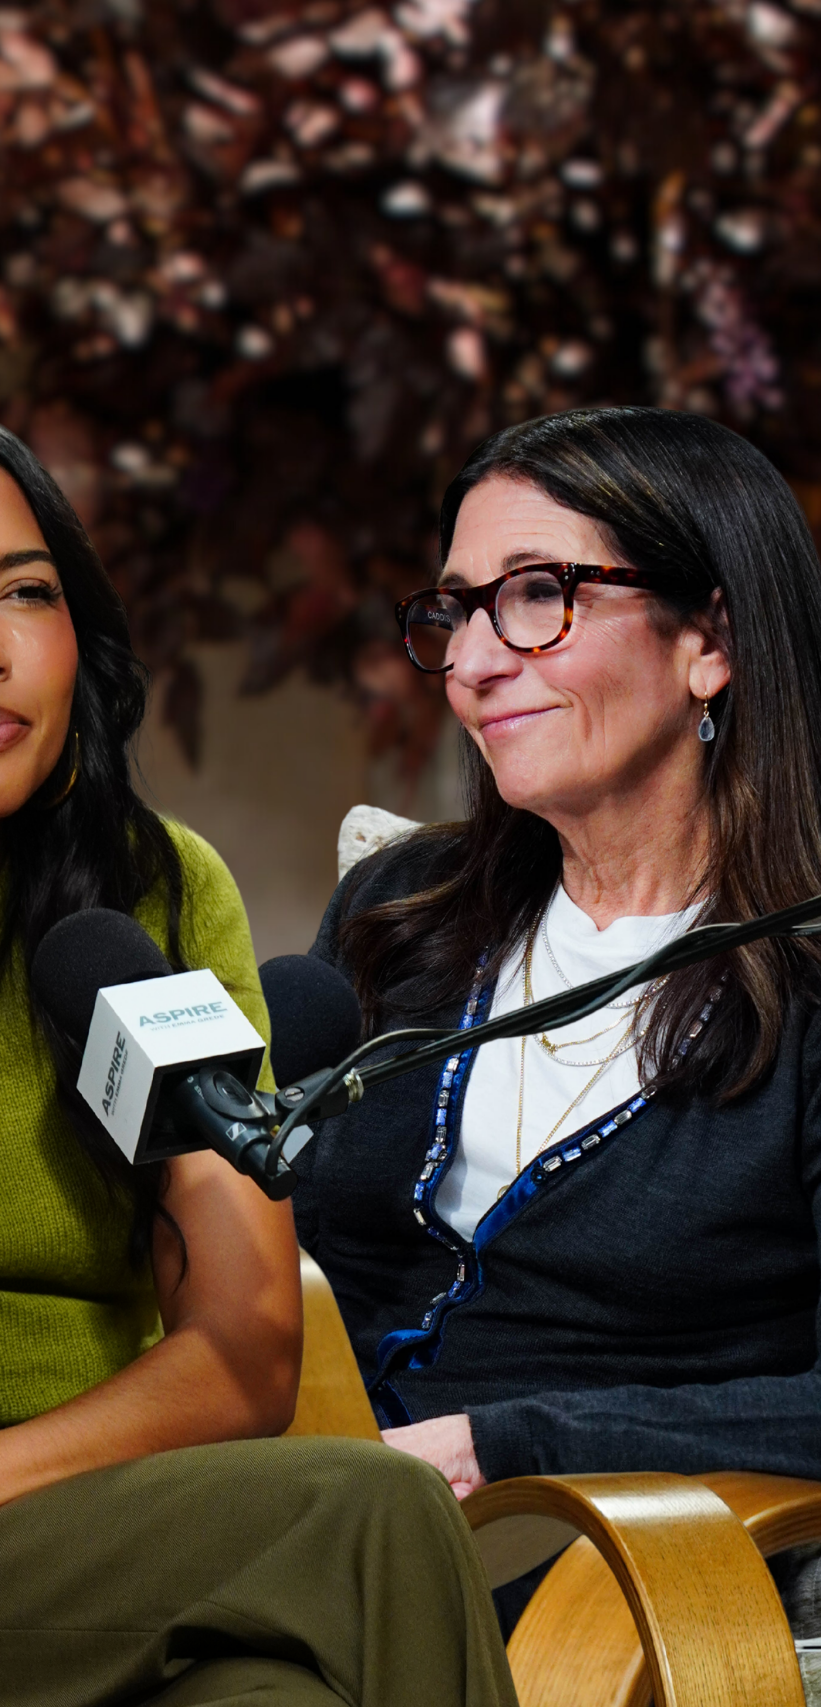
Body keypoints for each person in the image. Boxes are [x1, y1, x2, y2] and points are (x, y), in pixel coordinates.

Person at [0, 402, 517, 1707]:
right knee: (376, 1510)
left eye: (26, 592)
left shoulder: (151, 899)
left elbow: (243, 1355)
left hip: (95, 1531)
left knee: (279, 1700)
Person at [293, 405, 821, 1630]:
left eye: (539, 596)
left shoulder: (805, 981)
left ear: (711, 639)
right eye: (458, 609)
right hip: (312, 1513)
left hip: (603, 1560)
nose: (473, 663)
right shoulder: (398, 911)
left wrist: (506, 1444)